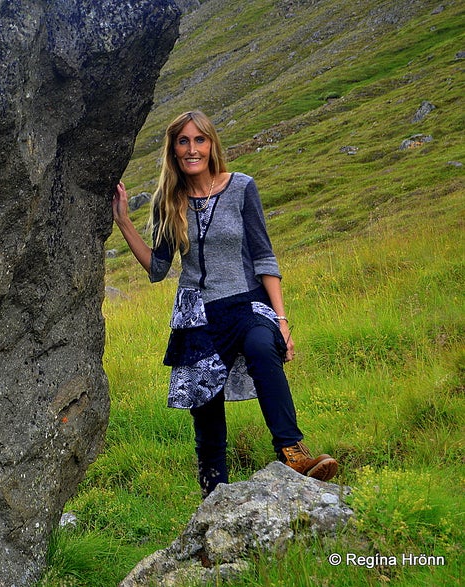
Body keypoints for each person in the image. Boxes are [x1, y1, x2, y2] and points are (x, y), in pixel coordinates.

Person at [111, 110, 338, 498]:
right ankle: (213, 493)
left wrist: (281, 319)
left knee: (263, 347)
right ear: (174, 150)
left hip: (247, 302)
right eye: (183, 141)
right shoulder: (169, 201)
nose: (192, 148)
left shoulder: (241, 188)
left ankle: (293, 453)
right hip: (196, 314)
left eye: (199, 140)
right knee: (207, 408)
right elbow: (158, 268)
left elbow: (264, 257)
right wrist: (123, 221)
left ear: (212, 144)